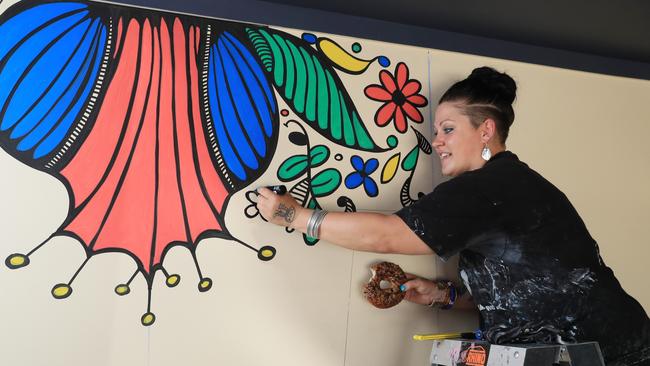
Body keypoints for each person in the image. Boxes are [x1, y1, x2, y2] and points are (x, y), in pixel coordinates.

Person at [257, 67, 650, 365]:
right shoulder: (505, 185)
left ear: (486, 131)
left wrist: (294, 215)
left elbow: (389, 235)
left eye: (447, 128)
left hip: (605, 352)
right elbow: (521, 288)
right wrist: (442, 295)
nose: (438, 141)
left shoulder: (489, 187)